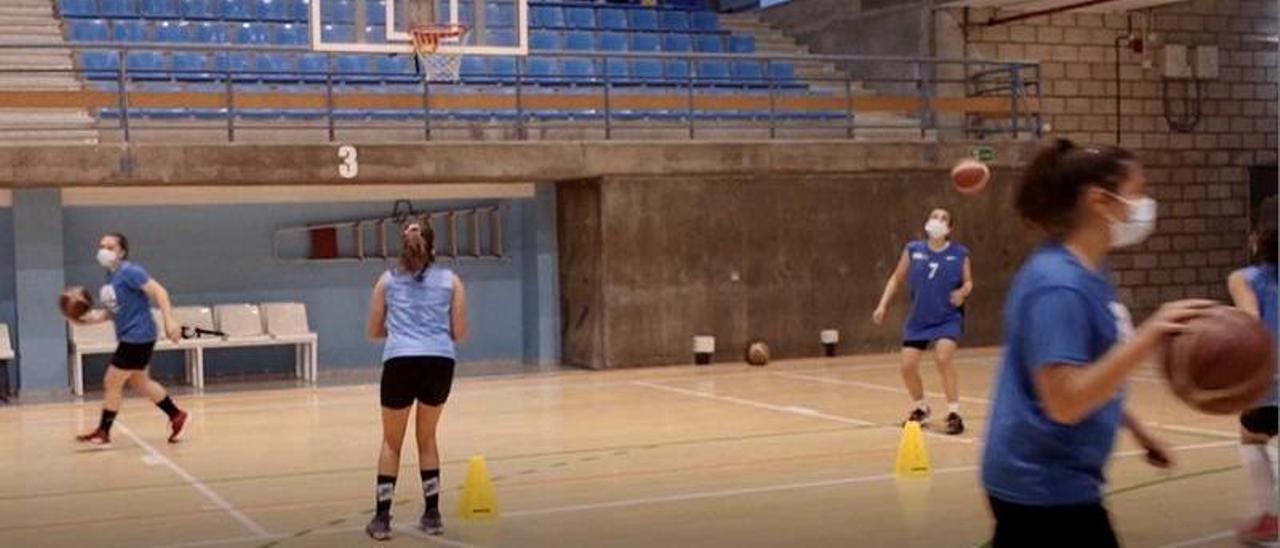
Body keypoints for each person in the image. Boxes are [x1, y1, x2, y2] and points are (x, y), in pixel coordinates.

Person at [981, 139, 1212, 546]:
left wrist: (1139, 431)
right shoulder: (1058, 285)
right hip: (1041, 485)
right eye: (1136, 191)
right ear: (1099, 202)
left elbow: (1093, 371)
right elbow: (1064, 400)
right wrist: (1150, 334)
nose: (1143, 205)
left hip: (1052, 477)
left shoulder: (1091, 270)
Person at [365, 221, 468, 540]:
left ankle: (382, 519)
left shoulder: (387, 280)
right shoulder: (452, 281)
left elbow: (373, 331)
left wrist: (399, 334)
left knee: (391, 442)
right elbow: (460, 333)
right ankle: (433, 514)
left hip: (399, 360)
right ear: (433, 247)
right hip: (439, 361)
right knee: (427, 438)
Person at [74, 233, 188, 447]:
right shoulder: (109, 277)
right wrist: (87, 320)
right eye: (102, 246)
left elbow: (160, 292)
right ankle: (176, 415)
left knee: (112, 381)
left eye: (110, 247)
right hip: (129, 335)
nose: (104, 251)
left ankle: (103, 432)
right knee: (140, 382)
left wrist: (170, 321)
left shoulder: (131, 272)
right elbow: (112, 312)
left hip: (138, 335)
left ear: (122, 252)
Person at [873, 207, 974, 434]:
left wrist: (963, 293)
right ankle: (921, 407)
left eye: (943, 218)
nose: (937, 220)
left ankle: (954, 412)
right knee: (907, 366)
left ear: (950, 228)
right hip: (919, 318)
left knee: (943, 356)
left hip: (947, 317)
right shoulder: (913, 250)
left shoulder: (960, 253)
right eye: (934, 216)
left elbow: (968, 282)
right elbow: (896, 279)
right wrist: (882, 305)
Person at [1227, 195, 1278, 544]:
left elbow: (1250, 324)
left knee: (1253, 436)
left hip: (1267, 376)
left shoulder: (1244, 278)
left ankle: (1269, 517)